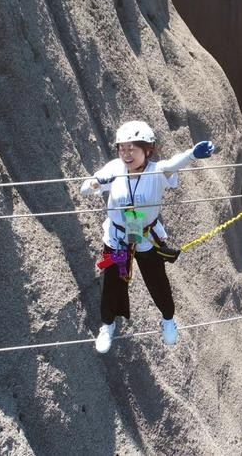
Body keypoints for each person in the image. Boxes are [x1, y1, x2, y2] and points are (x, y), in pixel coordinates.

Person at [80, 120, 215, 353]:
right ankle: (108, 325)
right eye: (122, 148)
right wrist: (96, 182)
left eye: (132, 148)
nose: (126, 154)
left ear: (147, 149)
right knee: (112, 280)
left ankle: (168, 320)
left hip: (145, 236)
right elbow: (84, 190)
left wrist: (192, 154)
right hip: (117, 237)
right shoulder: (114, 168)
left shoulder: (156, 171)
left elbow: (173, 164)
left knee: (156, 279)